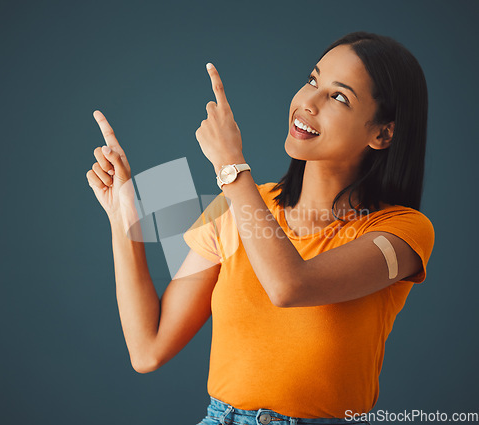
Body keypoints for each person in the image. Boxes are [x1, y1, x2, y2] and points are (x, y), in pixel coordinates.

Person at [86, 31, 435, 425]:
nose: (308, 102)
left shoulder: (402, 232)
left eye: (338, 97)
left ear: (382, 133)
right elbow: (148, 349)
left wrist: (230, 167)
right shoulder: (237, 209)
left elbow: (289, 286)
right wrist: (122, 217)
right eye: (312, 80)